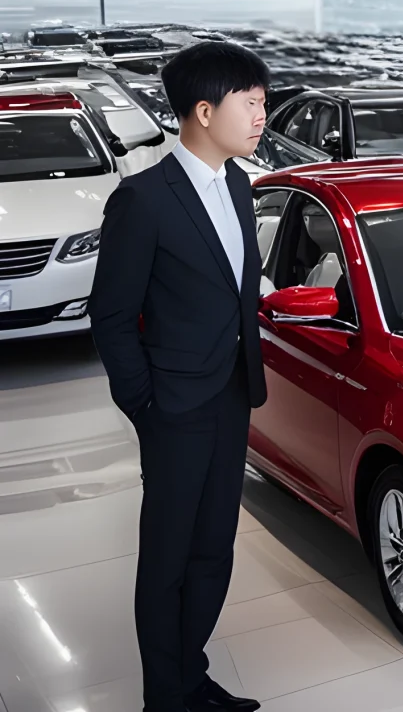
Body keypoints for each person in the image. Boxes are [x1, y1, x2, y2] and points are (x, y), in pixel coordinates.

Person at [90, 42, 271, 712]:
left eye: (262, 102)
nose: (261, 116)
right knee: (168, 555)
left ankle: (187, 672)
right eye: (249, 103)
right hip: (173, 403)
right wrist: (145, 403)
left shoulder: (238, 183)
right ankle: (165, 693)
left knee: (214, 547)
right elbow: (110, 315)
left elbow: (232, 291)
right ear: (202, 110)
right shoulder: (144, 199)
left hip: (230, 391)